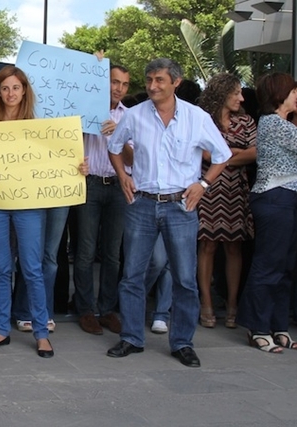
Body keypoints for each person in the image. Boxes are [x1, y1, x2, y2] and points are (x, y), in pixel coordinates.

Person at [106, 58, 231, 368]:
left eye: (159, 80)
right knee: (132, 275)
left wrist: (203, 184)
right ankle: (131, 337)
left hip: (180, 205)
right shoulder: (134, 115)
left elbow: (222, 155)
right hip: (142, 203)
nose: (152, 86)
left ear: (176, 82)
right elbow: (114, 146)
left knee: (185, 278)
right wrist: (122, 176)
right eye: (149, 79)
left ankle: (183, 342)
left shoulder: (196, 117)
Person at [0, 66, 56, 357]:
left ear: (24, 91)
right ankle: (2, 330)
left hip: (29, 205)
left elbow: (55, 161)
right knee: (1, 267)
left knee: (32, 268)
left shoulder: (38, 125)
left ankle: (41, 332)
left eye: (16, 88)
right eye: (5, 88)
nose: (10, 93)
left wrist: (77, 166)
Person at [237, 72, 297, 353]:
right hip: (275, 196)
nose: (296, 95)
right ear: (280, 94)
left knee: (285, 267)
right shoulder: (273, 123)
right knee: (269, 264)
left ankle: (278, 326)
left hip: (288, 197)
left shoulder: (284, 123)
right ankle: (257, 327)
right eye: (293, 91)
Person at [73, 64, 131, 335]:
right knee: (85, 251)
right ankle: (85, 309)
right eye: (114, 82)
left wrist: (118, 136)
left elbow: (134, 159)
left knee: (112, 253)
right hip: (90, 184)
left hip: (118, 186)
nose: (119, 88)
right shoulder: (83, 110)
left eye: (124, 84)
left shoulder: (130, 117)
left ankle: (107, 309)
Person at [196, 73, 256, 329]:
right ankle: (206, 303)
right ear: (222, 93)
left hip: (235, 191)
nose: (241, 98)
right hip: (208, 189)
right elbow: (203, 153)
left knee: (234, 247)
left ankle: (232, 305)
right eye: (236, 93)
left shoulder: (246, 121)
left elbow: (255, 153)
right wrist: (235, 153)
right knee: (207, 246)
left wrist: (221, 156)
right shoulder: (202, 119)